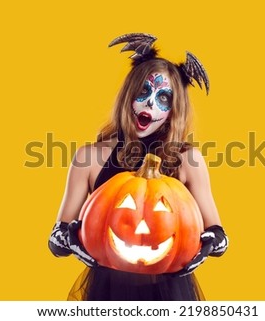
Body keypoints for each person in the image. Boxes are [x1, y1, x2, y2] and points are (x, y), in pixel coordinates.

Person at [48, 33, 228, 300]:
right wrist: (72, 241)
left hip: (169, 292)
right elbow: (56, 239)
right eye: (142, 92)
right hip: (107, 290)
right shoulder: (90, 158)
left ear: (173, 110)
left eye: (163, 98)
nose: (149, 103)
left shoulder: (187, 160)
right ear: (127, 94)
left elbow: (219, 235)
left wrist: (208, 244)